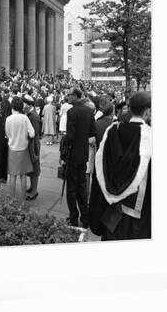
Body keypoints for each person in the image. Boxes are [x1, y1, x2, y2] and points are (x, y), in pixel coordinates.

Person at [89, 91, 152, 240]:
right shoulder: (151, 136)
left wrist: (96, 211)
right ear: (147, 111)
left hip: (111, 215)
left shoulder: (112, 130)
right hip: (138, 219)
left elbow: (100, 171)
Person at [64, 88, 96, 228]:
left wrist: (65, 141)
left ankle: (73, 217)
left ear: (76, 96)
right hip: (83, 153)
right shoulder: (89, 111)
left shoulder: (72, 112)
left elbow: (70, 136)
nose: (67, 97)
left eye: (70, 95)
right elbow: (92, 132)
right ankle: (85, 217)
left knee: (71, 188)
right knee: (81, 186)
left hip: (72, 154)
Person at [5, 96, 35, 201]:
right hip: (23, 149)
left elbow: (7, 134)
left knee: (12, 176)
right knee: (23, 176)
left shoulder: (8, 119)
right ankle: (22, 202)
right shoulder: (25, 118)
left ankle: (12, 200)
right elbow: (32, 134)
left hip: (12, 149)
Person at [23, 94, 41, 201]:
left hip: (33, 145)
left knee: (34, 169)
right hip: (31, 144)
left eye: (24, 103)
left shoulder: (33, 116)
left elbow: (34, 133)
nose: (23, 105)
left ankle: (34, 191)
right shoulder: (30, 114)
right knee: (31, 168)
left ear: (29, 105)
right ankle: (32, 188)